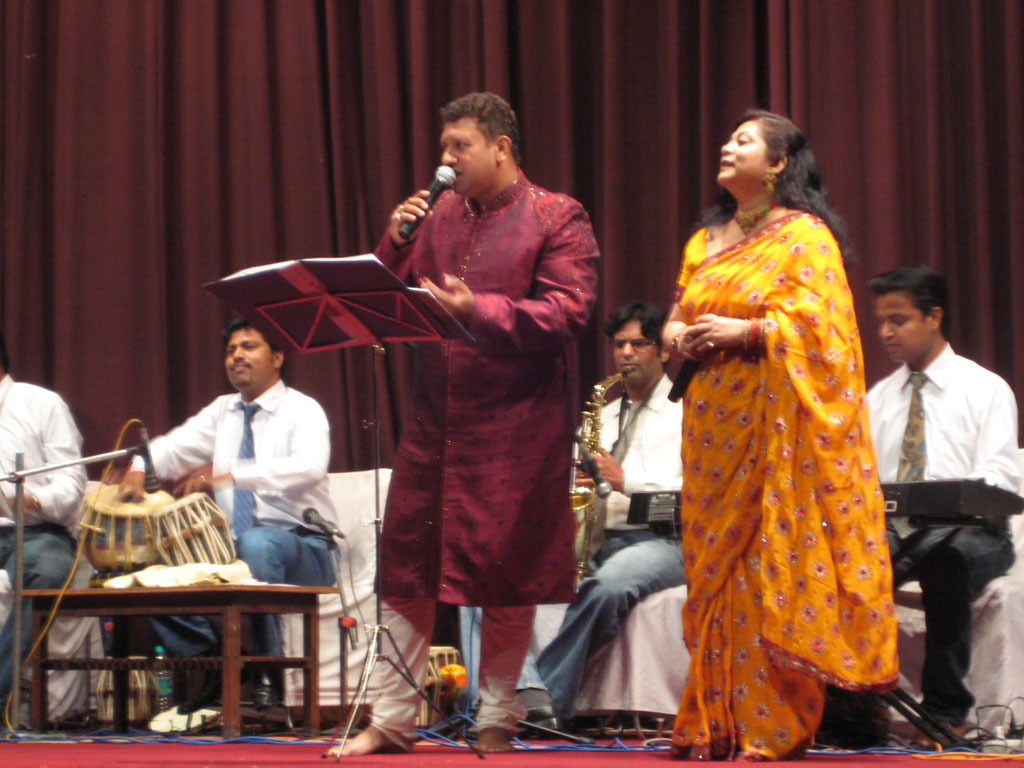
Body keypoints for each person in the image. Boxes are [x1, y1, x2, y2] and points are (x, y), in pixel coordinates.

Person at [337, 92, 599, 756]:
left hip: (518, 429)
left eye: (460, 147)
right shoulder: (436, 215)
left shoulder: (556, 215)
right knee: (406, 570)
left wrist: (475, 308)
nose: (446, 161)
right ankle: (393, 721)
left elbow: (569, 312)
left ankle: (498, 719)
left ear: (502, 147)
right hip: (434, 426)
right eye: (444, 147)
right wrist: (393, 241)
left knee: (506, 576)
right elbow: (380, 297)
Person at [660, 109, 898, 760]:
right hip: (711, 428)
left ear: (778, 164)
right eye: (726, 138)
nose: (725, 146)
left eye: (742, 141)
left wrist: (752, 332)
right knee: (714, 571)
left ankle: (769, 730)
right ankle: (715, 723)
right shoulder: (704, 239)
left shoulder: (804, 238)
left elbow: (830, 339)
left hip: (777, 431)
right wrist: (676, 336)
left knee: (767, 568)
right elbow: (675, 318)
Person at [119, 317, 337, 718]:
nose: (237, 355)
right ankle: (220, 663)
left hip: (306, 547)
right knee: (150, 569)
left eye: (249, 347)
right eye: (230, 349)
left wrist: (229, 474)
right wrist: (137, 465)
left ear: (277, 357)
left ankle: (267, 670)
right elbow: (173, 447)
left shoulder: (302, 409)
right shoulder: (224, 411)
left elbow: (309, 467)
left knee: (256, 542)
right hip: (231, 552)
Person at [867, 265, 1019, 734]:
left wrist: (941, 497)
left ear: (934, 317)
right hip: (899, 529)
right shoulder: (878, 398)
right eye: (881, 322)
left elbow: (999, 477)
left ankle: (943, 712)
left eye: (898, 320)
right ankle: (849, 707)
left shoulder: (984, 388)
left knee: (947, 561)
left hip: (976, 533)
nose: (886, 333)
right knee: (842, 565)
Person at [0, 331, 87, 712]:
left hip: (34, 532)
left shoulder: (40, 404)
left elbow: (72, 485)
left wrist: (26, 499)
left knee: (46, 570)